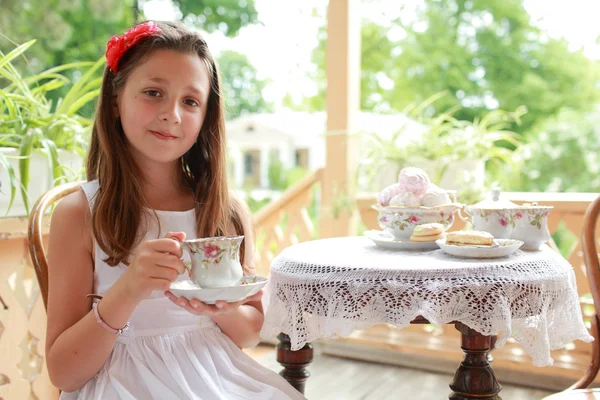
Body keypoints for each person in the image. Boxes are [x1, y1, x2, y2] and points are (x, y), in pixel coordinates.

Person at [45, 20, 306, 400]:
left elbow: (250, 333)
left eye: (190, 101)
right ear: (116, 101)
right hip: (120, 385)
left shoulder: (225, 211)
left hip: (217, 377)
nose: (173, 114)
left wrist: (216, 306)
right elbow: (64, 372)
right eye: (153, 92)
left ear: (205, 118)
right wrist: (129, 288)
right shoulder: (79, 213)